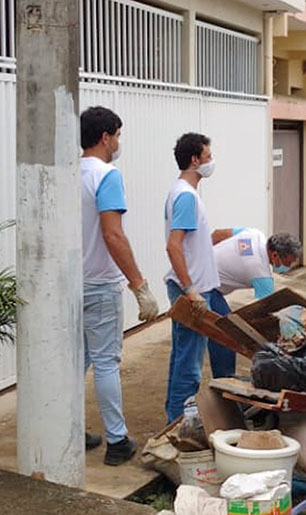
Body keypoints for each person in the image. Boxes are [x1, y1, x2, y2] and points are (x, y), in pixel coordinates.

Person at [80, 106, 159, 465]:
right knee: (107, 362)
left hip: (70, 285)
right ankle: (116, 441)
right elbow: (113, 234)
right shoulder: (106, 175)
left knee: (74, 363)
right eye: (118, 135)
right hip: (99, 285)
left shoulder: (68, 173)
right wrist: (139, 284)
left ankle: (69, 430)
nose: (119, 142)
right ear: (105, 137)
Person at [163, 132, 231, 422]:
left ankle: (175, 420)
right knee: (189, 365)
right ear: (195, 160)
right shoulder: (186, 197)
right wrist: (189, 289)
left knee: (185, 357)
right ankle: (177, 425)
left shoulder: (184, 193)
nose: (211, 161)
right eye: (208, 156)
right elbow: (173, 245)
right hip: (192, 291)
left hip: (197, 289)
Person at [211, 228, 302, 299]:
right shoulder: (261, 275)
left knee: (224, 321)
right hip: (204, 287)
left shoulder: (254, 234)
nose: (288, 267)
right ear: (275, 255)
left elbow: (217, 234)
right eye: (287, 263)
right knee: (206, 320)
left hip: (206, 276)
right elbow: (264, 308)